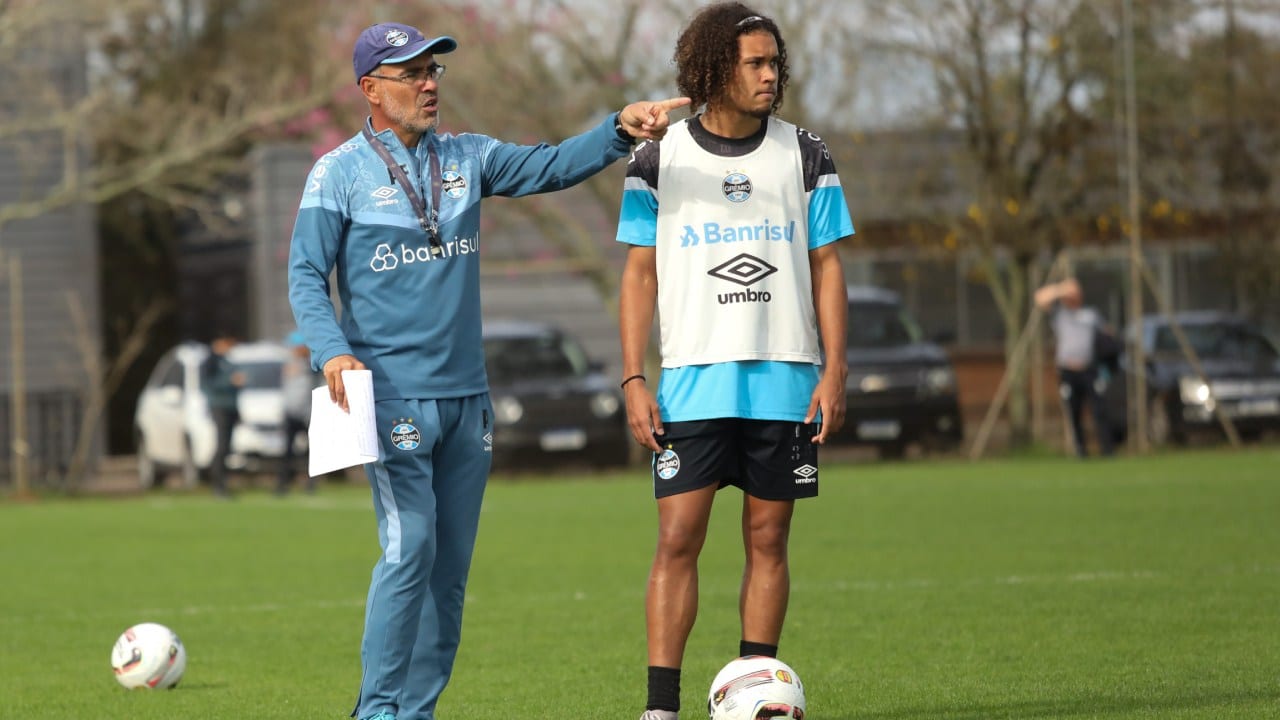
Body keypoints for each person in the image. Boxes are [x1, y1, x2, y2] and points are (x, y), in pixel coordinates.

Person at [287, 20, 689, 720]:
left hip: (468, 403)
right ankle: (378, 712)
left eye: (434, 70)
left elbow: (553, 165)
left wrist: (620, 130)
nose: (429, 82)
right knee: (410, 547)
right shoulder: (338, 173)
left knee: (448, 578)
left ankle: (416, 712)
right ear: (370, 89)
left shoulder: (469, 157)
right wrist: (333, 351)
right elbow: (303, 275)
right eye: (411, 72)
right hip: (393, 400)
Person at [614, 4, 854, 718]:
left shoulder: (806, 153)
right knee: (677, 539)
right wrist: (633, 376)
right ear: (715, 68)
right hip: (690, 381)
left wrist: (835, 371)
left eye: (774, 62)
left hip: (786, 381)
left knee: (768, 538)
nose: (770, 75)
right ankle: (661, 709)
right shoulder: (658, 157)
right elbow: (637, 275)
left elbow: (828, 266)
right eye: (755, 63)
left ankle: (756, 696)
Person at [1034, 277, 1117, 457]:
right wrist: (1061, 289)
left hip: (1089, 370)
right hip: (1068, 372)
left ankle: (1107, 450)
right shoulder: (1060, 314)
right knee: (1074, 413)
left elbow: (1107, 334)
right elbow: (1039, 298)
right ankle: (1081, 451)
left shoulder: (1091, 314)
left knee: (1099, 410)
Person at [275, 331, 318, 495]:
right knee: (287, 451)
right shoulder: (288, 363)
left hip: (308, 412)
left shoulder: (311, 364)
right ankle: (282, 484)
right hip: (291, 411)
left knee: (310, 452)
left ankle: (310, 484)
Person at [202, 333, 243, 498]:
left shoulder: (228, 362)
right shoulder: (210, 362)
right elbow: (209, 385)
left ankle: (222, 483)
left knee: (227, 447)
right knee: (221, 446)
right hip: (219, 408)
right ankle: (217, 485)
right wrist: (229, 382)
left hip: (230, 407)